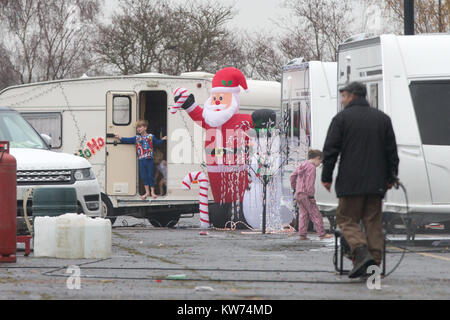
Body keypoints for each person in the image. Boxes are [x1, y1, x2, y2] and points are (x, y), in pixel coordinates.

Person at [321, 82, 399, 278]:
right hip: (377, 183)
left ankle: (361, 252)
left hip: (351, 182)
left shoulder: (341, 119)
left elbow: (330, 150)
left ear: (353, 96)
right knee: (373, 221)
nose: (342, 99)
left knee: (346, 219)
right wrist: (391, 177)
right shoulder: (383, 119)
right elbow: (392, 152)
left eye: (344, 96)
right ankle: (374, 266)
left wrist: (326, 177)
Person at [115, 120, 167, 200]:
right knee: (144, 176)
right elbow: (128, 140)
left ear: (145, 128)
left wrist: (162, 139)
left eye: (140, 127)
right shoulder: (137, 138)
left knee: (151, 175)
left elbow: (157, 142)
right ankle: (147, 192)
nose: (138, 129)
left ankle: (152, 192)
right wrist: (120, 137)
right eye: (137, 128)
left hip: (149, 159)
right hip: (141, 160)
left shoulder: (151, 136)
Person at [290, 149, 333, 241]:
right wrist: (311, 196)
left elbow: (292, 176)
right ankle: (322, 234)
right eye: (320, 162)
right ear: (317, 158)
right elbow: (310, 183)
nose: (319, 165)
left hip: (298, 193)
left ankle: (302, 235)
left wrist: (294, 188)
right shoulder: (311, 167)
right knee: (315, 214)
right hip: (306, 194)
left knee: (303, 214)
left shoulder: (302, 164)